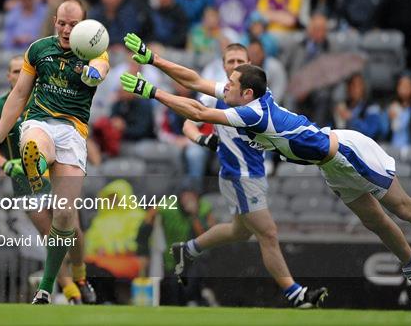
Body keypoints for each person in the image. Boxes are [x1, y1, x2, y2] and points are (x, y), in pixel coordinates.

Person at [121, 37, 411, 311]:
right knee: (376, 221)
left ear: (246, 92)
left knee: (404, 208)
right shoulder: (246, 97)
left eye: (230, 82)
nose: (223, 87)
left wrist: (150, 90)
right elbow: (195, 81)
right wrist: (152, 60)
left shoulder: (250, 114)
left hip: (348, 152)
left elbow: (197, 110)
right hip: (329, 165)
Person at [123, 33, 328, 308]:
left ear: (249, 68)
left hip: (254, 172)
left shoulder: (249, 99)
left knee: (239, 231)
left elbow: (197, 99)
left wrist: (153, 80)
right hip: (239, 176)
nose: (234, 66)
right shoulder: (224, 95)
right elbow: (191, 112)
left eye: (239, 62)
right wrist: (202, 139)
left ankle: (188, 249)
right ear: (223, 66)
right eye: (230, 61)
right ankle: (296, 294)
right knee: (268, 234)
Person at [0, 0, 110, 305]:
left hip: (73, 132)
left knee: (66, 218)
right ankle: (52, 290)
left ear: (84, 26)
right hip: (40, 124)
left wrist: (95, 73)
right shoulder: (38, 50)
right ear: (55, 21)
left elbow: (100, 67)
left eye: (73, 25)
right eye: (61, 22)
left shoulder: (94, 50)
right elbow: (20, 94)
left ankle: (78, 275)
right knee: (34, 144)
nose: (65, 29)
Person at [0, 55, 93, 304]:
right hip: (24, 183)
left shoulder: (44, 100)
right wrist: (5, 164)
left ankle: (80, 274)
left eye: (20, 70)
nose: (16, 75)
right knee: (49, 235)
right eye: (12, 71)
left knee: (72, 229)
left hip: (55, 175)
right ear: (8, 76)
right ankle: (73, 294)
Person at [136, 184, 217, 306]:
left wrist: (194, 216)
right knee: (174, 288)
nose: (188, 199)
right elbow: (146, 223)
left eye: (192, 195)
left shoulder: (205, 208)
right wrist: (143, 252)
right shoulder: (167, 207)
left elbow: (209, 236)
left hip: (196, 258)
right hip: (171, 258)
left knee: (192, 279)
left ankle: (199, 299)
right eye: (185, 195)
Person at [334, 73, 385, 141]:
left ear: (363, 87)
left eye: (358, 85)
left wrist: (352, 118)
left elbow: (371, 132)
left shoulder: (372, 107)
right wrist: (336, 117)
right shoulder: (344, 106)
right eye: (352, 85)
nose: (355, 89)